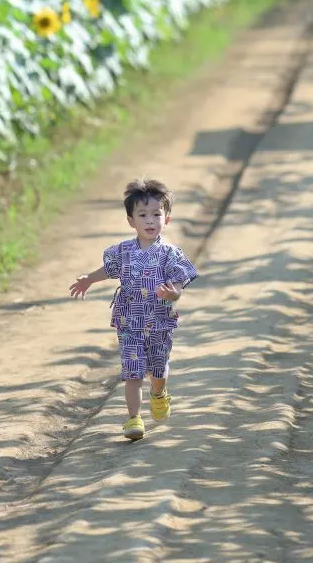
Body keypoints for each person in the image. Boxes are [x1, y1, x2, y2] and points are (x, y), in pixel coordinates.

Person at [69, 178, 198, 440]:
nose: (150, 221)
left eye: (156, 214)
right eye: (143, 215)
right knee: (133, 370)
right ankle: (133, 419)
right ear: (131, 220)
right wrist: (88, 280)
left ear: (167, 219)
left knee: (157, 369)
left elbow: (178, 280)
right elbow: (109, 269)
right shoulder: (123, 251)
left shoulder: (170, 253)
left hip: (160, 320)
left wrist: (174, 293)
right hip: (130, 320)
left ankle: (159, 393)